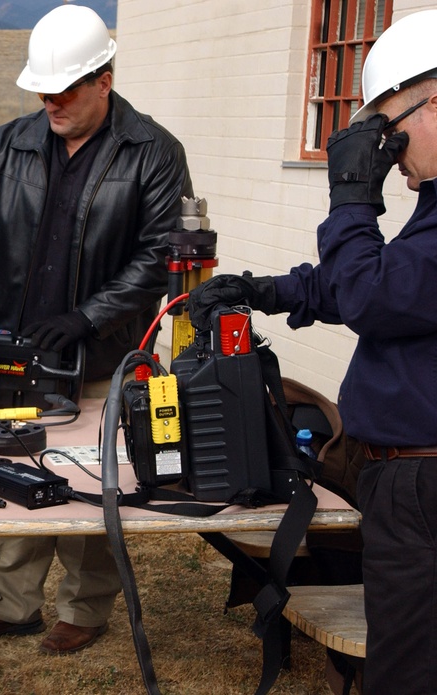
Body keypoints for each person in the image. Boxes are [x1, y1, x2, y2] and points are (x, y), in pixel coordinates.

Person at [0, 5, 192, 655]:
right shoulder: (12, 142)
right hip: (19, 348)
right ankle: (11, 603)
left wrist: (87, 317)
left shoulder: (153, 152)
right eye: (42, 88)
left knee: (92, 480)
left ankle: (86, 607)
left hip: (99, 354)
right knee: (14, 466)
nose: (50, 100)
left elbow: (160, 254)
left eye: (63, 88)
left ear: (104, 78)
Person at [187, 10, 437, 692]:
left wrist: (352, 197)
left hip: (424, 486)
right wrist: (262, 289)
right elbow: (382, 284)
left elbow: (372, 297)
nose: (385, 148)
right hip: (404, 479)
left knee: (410, 673)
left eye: (390, 127)